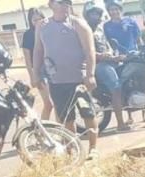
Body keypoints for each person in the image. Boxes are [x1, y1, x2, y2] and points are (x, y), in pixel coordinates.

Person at [33, 0, 99, 159]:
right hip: (57, 80)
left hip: (79, 79)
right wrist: (35, 73)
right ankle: (73, 150)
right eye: (60, 2)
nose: (64, 5)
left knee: (87, 114)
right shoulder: (42, 26)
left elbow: (90, 51)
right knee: (65, 117)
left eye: (67, 2)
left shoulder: (78, 24)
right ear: (51, 5)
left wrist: (90, 74)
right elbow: (38, 50)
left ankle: (93, 148)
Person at [83, 1, 130, 132]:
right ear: (87, 15)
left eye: (98, 13)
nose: (97, 16)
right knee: (116, 87)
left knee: (128, 76)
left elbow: (107, 44)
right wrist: (108, 57)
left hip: (110, 60)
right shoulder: (85, 30)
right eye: (93, 14)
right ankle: (120, 124)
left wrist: (116, 54)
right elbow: (89, 52)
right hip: (99, 65)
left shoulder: (99, 28)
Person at [104, 0, 145, 123]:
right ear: (108, 12)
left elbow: (138, 38)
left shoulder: (130, 21)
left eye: (116, 9)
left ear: (120, 10)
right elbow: (108, 43)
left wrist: (142, 50)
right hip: (121, 58)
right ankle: (130, 116)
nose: (114, 11)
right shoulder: (106, 26)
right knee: (126, 85)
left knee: (142, 82)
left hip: (135, 55)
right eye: (111, 9)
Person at [21, 8, 54, 121]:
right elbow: (27, 59)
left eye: (40, 19)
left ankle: (61, 133)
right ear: (30, 21)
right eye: (35, 20)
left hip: (53, 68)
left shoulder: (49, 31)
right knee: (48, 104)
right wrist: (33, 77)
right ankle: (43, 130)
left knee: (59, 103)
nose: (38, 22)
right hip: (39, 70)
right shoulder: (28, 35)